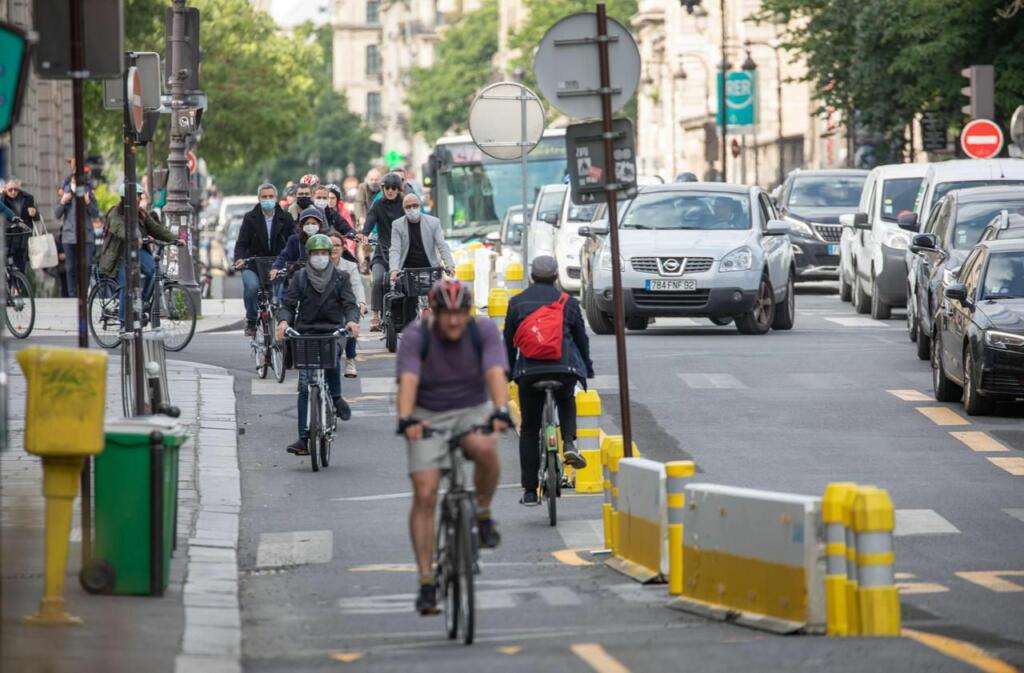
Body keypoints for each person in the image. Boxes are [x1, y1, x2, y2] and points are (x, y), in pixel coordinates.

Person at [395, 279, 511, 614]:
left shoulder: (482, 330)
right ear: (434, 313)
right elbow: (408, 381)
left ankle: (484, 513)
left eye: (461, 313)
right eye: (447, 314)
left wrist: (501, 410)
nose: (455, 321)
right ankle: (426, 580)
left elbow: (495, 372)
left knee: (486, 447)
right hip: (426, 412)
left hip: (469, 409)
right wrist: (407, 419)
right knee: (425, 491)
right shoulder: (416, 335)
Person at [503, 255, 594, 506]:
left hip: (529, 374)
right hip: (563, 370)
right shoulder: (568, 302)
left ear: (531, 276)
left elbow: (508, 344)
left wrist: (509, 373)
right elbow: (581, 340)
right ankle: (570, 444)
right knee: (566, 398)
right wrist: (586, 368)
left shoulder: (517, 303)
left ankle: (530, 491)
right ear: (556, 276)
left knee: (530, 430)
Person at [276, 233, 361, 456]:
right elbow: (288, 304)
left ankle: (335, 398)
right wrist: (283, 322)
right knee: (305, 385)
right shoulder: (300, 277)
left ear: (330, 255)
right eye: (316, 253)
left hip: (333, 330)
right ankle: (303, 438)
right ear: (309, 255)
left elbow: (350, 304)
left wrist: (352, 321)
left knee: (332, 359)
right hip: (306, 332)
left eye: (324, 253)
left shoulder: (341, 277)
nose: (320, 257)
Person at [98, 182, 181, 320]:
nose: (140, 198)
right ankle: (124, 323)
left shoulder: (141, 213)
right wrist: (135, 238)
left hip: (137, 252)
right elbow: (121, 230)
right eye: (138, 195)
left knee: (155, 271)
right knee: (126, 285)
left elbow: (156, 229)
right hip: (119, 257)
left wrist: (175, 239)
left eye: (140, 195)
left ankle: (141, 303)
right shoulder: (115, 214)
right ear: (127, 197)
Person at [233, 183, 296, 336]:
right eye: (264, 197)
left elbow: (293, 242)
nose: (268, 199)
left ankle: (281, 324)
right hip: (253, 263)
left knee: (280, 296)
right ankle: (251, 319)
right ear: (259, 198)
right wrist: (239, 259)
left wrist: (295, 259)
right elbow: (241, 243)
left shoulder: (286, 218)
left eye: (271, 196)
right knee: (252, 287)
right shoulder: (250, 218)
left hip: (277, 264)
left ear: (276, 198)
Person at [388, 193, 456, 327]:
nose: (412, 209)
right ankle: (410, 330)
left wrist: (449, 265)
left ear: (420, 206)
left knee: (439, 298)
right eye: (408, 207)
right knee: (407, 300)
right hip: (407, 270)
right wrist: (394, 270)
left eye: (415, 205)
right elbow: (395, 249)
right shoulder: (397, 225)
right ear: (403, 209)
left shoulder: (433, 222)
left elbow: (442, 245)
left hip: (430, 268)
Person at [361, 172, 405, 331]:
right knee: (378, 280)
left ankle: (410, 314)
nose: (390, 191)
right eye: (387, 188)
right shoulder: (378, 204)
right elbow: (370, 219)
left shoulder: (405, 204)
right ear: (383, 188)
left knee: (406, 282)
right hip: (382, 251)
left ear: (399, 189)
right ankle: (375, 316)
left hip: (403, 253)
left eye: (394, 188)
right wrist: (364, 234)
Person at [329, 231, 367, 377]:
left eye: (337, 245)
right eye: (331, 245)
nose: (334, 248)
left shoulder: (350, 266)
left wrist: (361, 303)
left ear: (343, 248)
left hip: (346, 304)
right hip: (325, 306)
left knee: (351, 321)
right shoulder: (319, 264)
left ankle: (350, 359)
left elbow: (357, 285)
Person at [54, 175, 100, 297]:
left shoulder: (89, 193)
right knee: (71, 267)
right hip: (69, 236)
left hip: (86, 236)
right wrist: (63, 201)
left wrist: (88, 202)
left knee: (87, 265)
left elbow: (96, 213)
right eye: (74, 180)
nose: (76, 183)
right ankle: (72, 294)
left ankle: (84, 292)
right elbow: (57, 214)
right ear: (71, 182)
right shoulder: (64, 193)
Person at [271, 206, 330, 279]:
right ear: (302, 226)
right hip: (300, 276)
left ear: (319, 225)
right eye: (307, 223)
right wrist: (276, 267)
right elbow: (284, 255)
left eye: (314, 223)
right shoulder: (294, 240)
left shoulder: (325, 239)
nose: (310, 226)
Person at [2, 178, 39, 273]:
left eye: (16, 189)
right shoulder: (2, 198)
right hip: (8, 237)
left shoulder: (28, 198)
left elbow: (37, 218)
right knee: (7, 267)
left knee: (21, 267)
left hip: (23, 237)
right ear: (5, 189)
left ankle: (19, 282)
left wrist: (34, 213)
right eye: (10, 190)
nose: (13, 192)